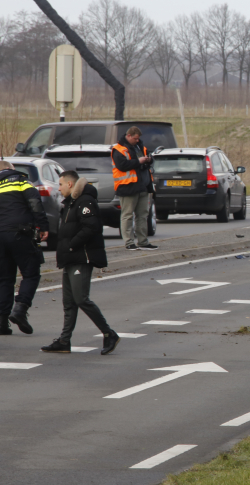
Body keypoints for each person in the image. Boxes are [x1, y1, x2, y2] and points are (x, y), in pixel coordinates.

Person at [41, 171, 120, 355]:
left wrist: (71, 245)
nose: (58, 188)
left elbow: (91, 227)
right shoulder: (71, 202)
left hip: (81, 257)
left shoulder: (85, 201)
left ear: (70, 184)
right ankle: (64, 341)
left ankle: (109, 334)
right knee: (69, 302)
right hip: (70, 258)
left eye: (60, 184)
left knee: (81, 299)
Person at [0, 160, 49, 335]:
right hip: (20, 233)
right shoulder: (21, 181)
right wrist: (43, 226)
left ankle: (2, 322)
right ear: (10, 168)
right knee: (31, 273)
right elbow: (35, 203)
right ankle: (20, 309)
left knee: (4, 279)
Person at [111, 126, 158, 251]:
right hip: (128, 187)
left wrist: (148, 159)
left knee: (142, 215)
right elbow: (122, 165)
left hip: (143, 186)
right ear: (129, 136)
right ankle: (129, 242)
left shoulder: (140, 146)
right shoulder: (119, 149)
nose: (137, 140)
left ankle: (143, 241)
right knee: (127, 215)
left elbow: (149, 159)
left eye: (138, 139)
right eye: (135, 138)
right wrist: (139, 161)